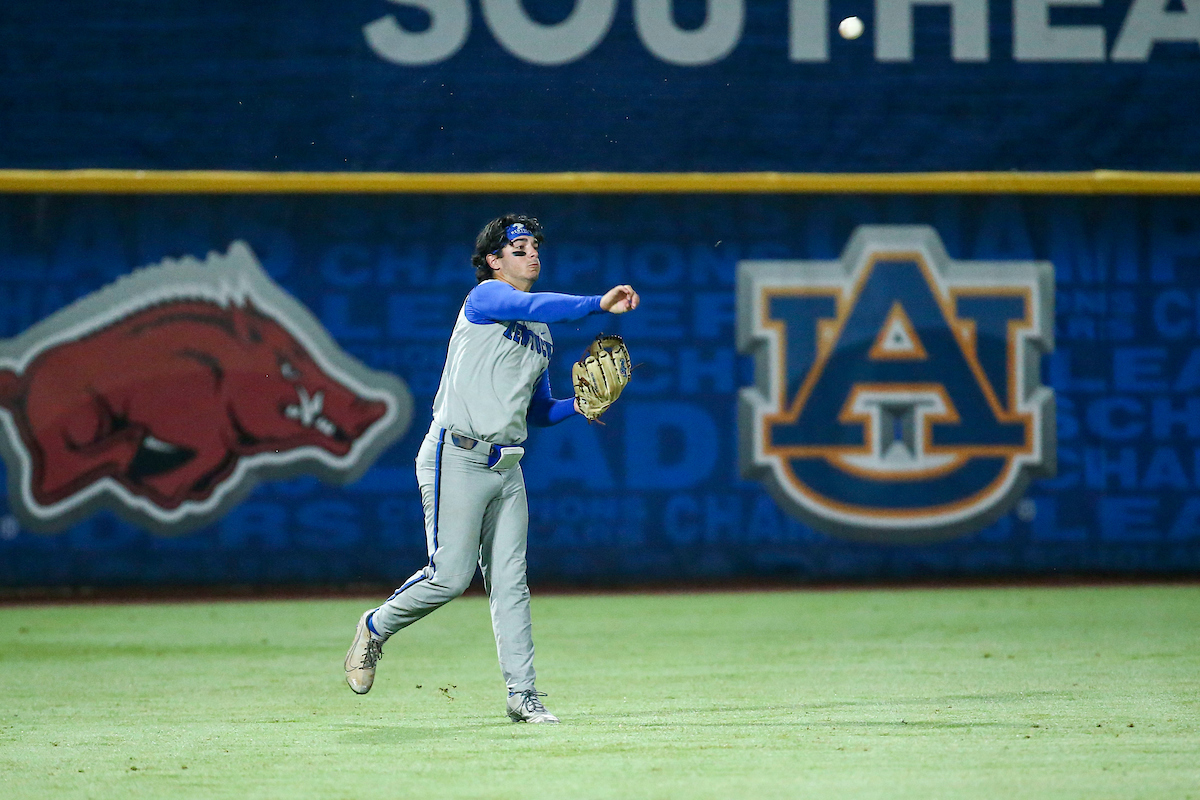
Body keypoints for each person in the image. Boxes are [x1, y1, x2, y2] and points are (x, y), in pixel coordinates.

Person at [344, 213, 639, 724]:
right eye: (518, 247)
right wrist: (597, 304)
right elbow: (527, 304)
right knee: (449, 577)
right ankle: (374, 626)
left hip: (508, 465)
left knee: (510, 582)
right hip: (455, 455)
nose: (531, 253)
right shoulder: (484, 298)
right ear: (492, 262)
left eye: (533, 246)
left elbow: (539, 412)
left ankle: (522, 695)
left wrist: (581, 404)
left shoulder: (542, 332)